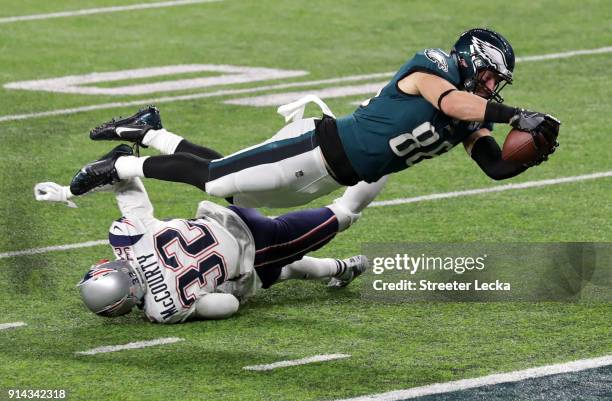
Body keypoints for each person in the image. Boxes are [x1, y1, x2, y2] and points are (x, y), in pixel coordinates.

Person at [69, 28, 560, 211]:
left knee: (233, 190)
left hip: (331, 179)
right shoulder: (435, 67)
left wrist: (531, 152)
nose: (494, 88)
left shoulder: (474, 120)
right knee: (218, 183)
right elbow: (450, 102)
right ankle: (120, 165)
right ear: (473, 60)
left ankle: (150, 130)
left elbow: (495, 167)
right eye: (494, 77)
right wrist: (518, 114)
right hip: (316, 146)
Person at [34, 151, 368, 324]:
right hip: (225, 212)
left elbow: (228, 304)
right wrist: (75, 188)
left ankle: (382, 160)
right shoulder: (127, 238)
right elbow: (127, 185)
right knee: (275, 270)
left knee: (343, 214)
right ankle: (341, 268)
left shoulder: (162, 310)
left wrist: (203, 293)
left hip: (256, 246)